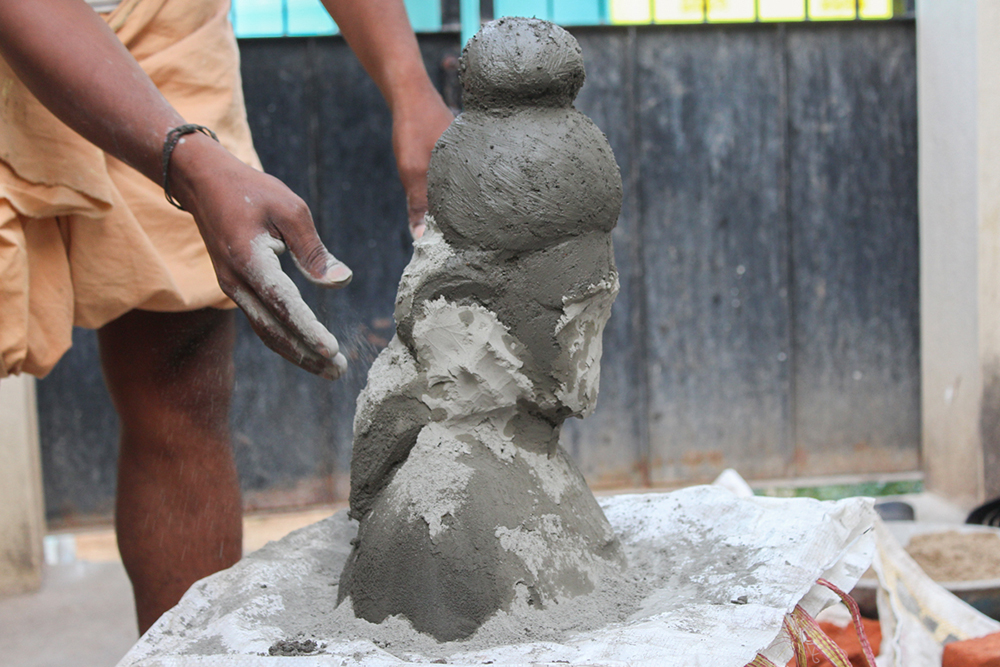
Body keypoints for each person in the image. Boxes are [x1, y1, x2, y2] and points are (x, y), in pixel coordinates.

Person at [0, 0, 454, 634]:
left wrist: (411, 88)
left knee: (181, 373)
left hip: (170, 24)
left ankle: (189, 650)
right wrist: (191, 166)